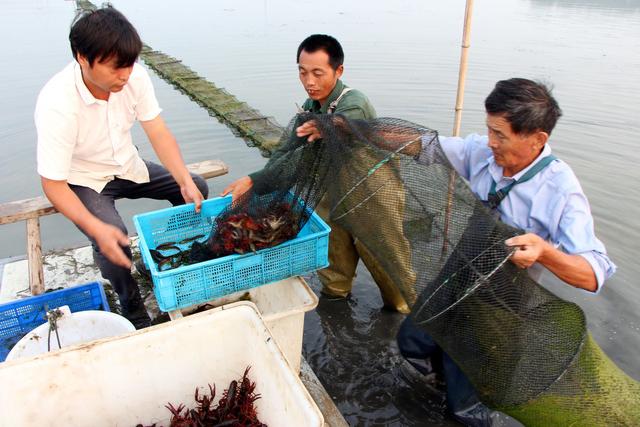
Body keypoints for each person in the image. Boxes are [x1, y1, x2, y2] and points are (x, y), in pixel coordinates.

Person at [396, 78, 617, 426]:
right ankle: (436, 383)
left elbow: (594, 273)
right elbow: (426, 146)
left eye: (500, 135)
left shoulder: (561, 190)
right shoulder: (483, 154)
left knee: (464, 403)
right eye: (489, 130)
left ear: (538, 139)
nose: (490, 142)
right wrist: (350, 129)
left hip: (502, 301)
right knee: (411, 340)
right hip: (459, 275)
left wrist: (544, 252)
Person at [35, 6, 208, 329]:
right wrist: (95, 227)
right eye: (116, 67)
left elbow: (157, 131)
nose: (125, 75)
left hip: (127, 165)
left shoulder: (134, 77)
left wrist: (183, 178)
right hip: (84, 179)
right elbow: (53, 184)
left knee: (196, 190)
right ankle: (133, 308)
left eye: (130, 64)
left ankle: (163, 263)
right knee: (113, 240)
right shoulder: (57, 103)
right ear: (83, 58)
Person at [222, 34, 410, 313]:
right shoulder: (310, 108)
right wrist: (254, 179)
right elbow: (285, 153)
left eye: (318, 73)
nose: (309, 81)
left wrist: (256, 179)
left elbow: (311, 156)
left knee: (390, 272)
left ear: (338, 71)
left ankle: (403, 321)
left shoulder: (354, 103)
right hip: (332, 192)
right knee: (333, 268)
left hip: (372, 195)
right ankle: (336, 311)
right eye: (303, 72)